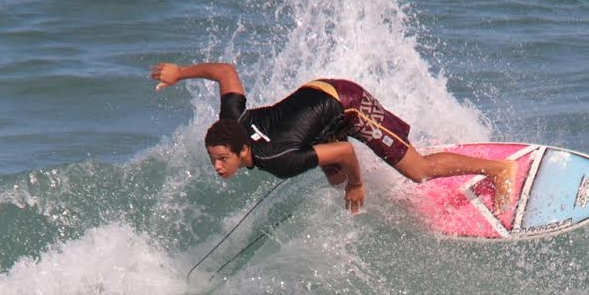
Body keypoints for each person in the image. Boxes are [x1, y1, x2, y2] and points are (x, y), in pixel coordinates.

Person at [150, 62, 516, 215]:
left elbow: (342, 149)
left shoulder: (279, 162)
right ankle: (393, 152)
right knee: (332, 175)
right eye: (214, 159)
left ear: (243, 149)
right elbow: (225, 71)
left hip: (347, 105)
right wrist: (180, 73)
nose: (217, 167)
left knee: (417, 171)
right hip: (318, 93)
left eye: (223, 160)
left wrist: (356, 185)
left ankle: (498, 170)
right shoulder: (231, 121)